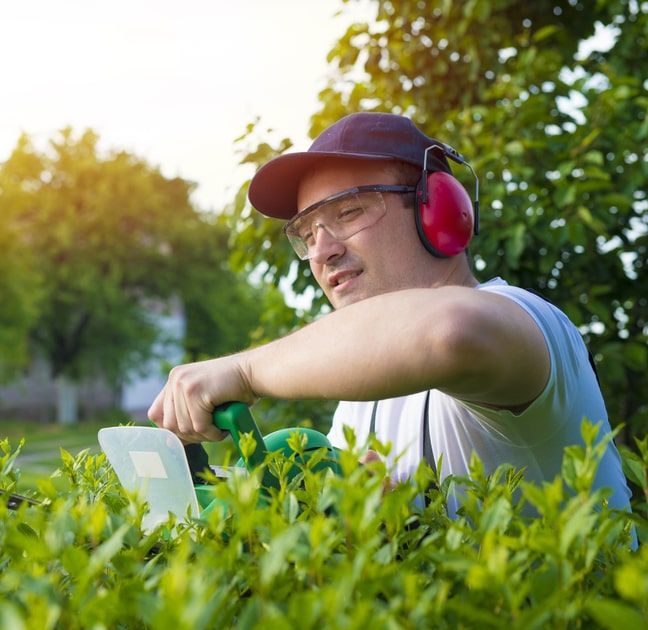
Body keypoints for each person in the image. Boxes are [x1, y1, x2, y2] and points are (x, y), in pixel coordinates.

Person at [147, 112, 631, 514]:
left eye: (348, 213)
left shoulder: (525, 320)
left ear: (436, 210)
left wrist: (244, 370)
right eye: (308, 233)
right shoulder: (362, 394)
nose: (323, 252)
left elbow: (449, 332)